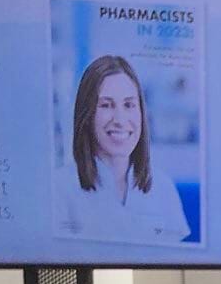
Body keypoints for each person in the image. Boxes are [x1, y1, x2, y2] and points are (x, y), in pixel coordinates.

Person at [56, 55, 190, 244]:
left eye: (129, 105)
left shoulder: (163, 188)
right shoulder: (60, 189)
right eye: (106, 105)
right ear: (87, 114)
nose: (119, 119)